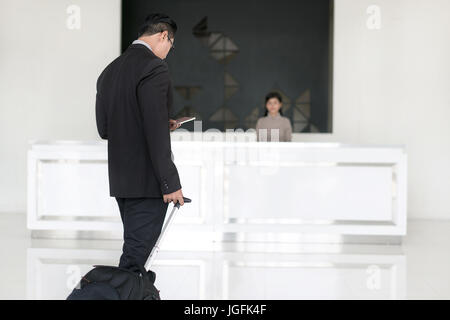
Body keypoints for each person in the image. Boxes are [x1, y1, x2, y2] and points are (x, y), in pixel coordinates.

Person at [95, 13, 183, 273]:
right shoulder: (154, 67)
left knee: (136, 254)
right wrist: (171, 183)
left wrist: (154, 121)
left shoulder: (109, 71)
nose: (169, 51)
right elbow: (155, 132)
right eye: (171, 44)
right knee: (135, 261)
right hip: (147, 182)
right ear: (163, 35)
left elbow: (105, 129)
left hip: (122, 180)